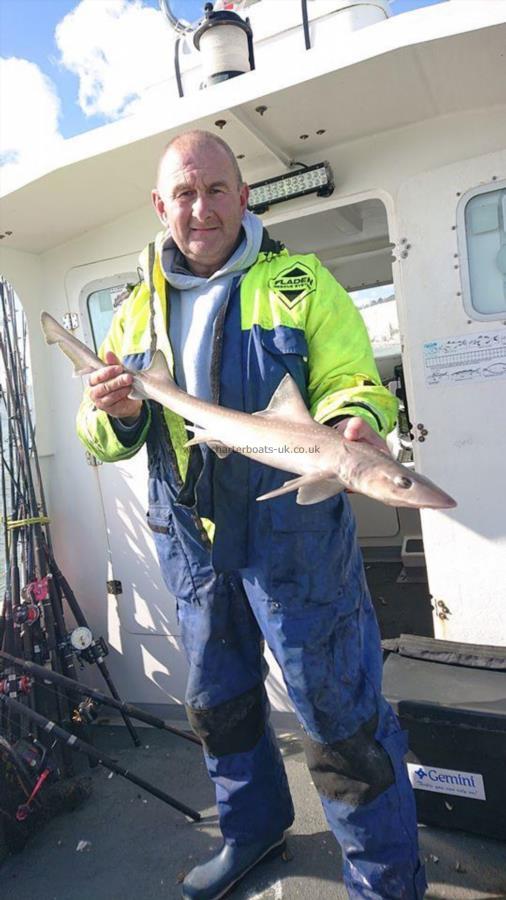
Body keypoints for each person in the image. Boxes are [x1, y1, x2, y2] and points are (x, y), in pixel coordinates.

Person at [77, 130, 426, 899]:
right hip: (193, 542)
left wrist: (355, 424)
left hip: (295, 541)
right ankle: (253, 830)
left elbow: (354, 381)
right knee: (220, 704)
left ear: (243, 196)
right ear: (161, 205)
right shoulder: (134, 316)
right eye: (185, 194)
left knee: (340, 715)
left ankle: (385, 881)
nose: (201, 209)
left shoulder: (302, 281)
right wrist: (112, 410)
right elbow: (102, 436)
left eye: (216, 190)